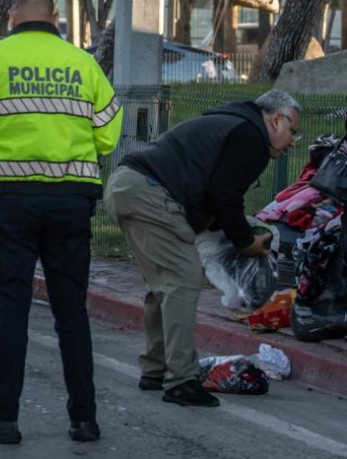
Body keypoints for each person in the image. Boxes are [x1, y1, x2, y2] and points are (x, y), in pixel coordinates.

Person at [0, 0, 122, 445]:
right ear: (55, 16)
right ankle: (85, 419)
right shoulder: (83, 64)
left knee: (13, 310)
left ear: (12, 16)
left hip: (12, 203)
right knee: (71, 313)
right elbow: (108, 133)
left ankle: (3, 417)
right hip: (71, 202)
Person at [105, 89, 295, 407]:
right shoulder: (252, 136)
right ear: (276, 120)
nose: (293, 141)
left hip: (127, 187)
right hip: (149, 194)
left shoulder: (231, 123)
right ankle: (181, 381)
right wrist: (246, 242)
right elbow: (223, 195)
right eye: (292, 130)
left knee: (163, 284)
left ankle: (156, 369)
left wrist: (235, 233)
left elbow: (211, 195)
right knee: (182, 281)